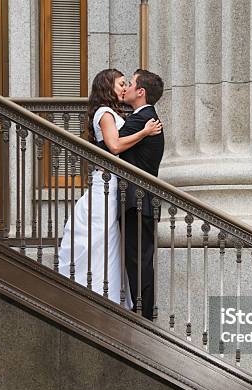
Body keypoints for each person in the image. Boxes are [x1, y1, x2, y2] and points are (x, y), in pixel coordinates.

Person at [58, 69, 162, 307]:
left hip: (116, 187)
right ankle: (93, 293)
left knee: (109, 244)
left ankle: (107, 297)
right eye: (121, 83)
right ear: (108, 87)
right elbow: (114, 146)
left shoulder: (115, 113)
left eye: (128, 83)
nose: (124, 87)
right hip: (107, 186)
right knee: (100, 240)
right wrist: (144, 131)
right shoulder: (105, 113)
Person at [116, 69, 165, 320]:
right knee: (140, 260)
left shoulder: (141, 119)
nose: (126, 88)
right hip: (142, 201)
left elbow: (108, 146)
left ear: (141, 91)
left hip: (137, 201)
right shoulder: (144, 119)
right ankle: (143, 313)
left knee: (138, 262)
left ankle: (143, 316)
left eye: (131, 84)